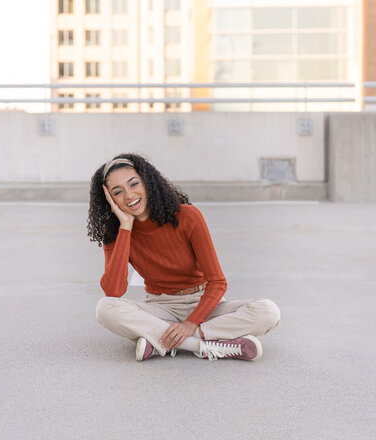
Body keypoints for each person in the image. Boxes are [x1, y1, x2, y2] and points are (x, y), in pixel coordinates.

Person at [88, 153, 280, 362]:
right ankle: (204, 346)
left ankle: (162, 342)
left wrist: (190, 325)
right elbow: (113, 291)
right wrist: (125, 226)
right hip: (161, 306)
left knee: (268, 311)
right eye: (118, 192)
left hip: (204, 302)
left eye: (134, 184)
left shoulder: (188, 216)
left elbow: (217, 282)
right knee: (105, 309)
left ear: (147, 182)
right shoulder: (115, 232)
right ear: (110, 200)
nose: (129, 195)